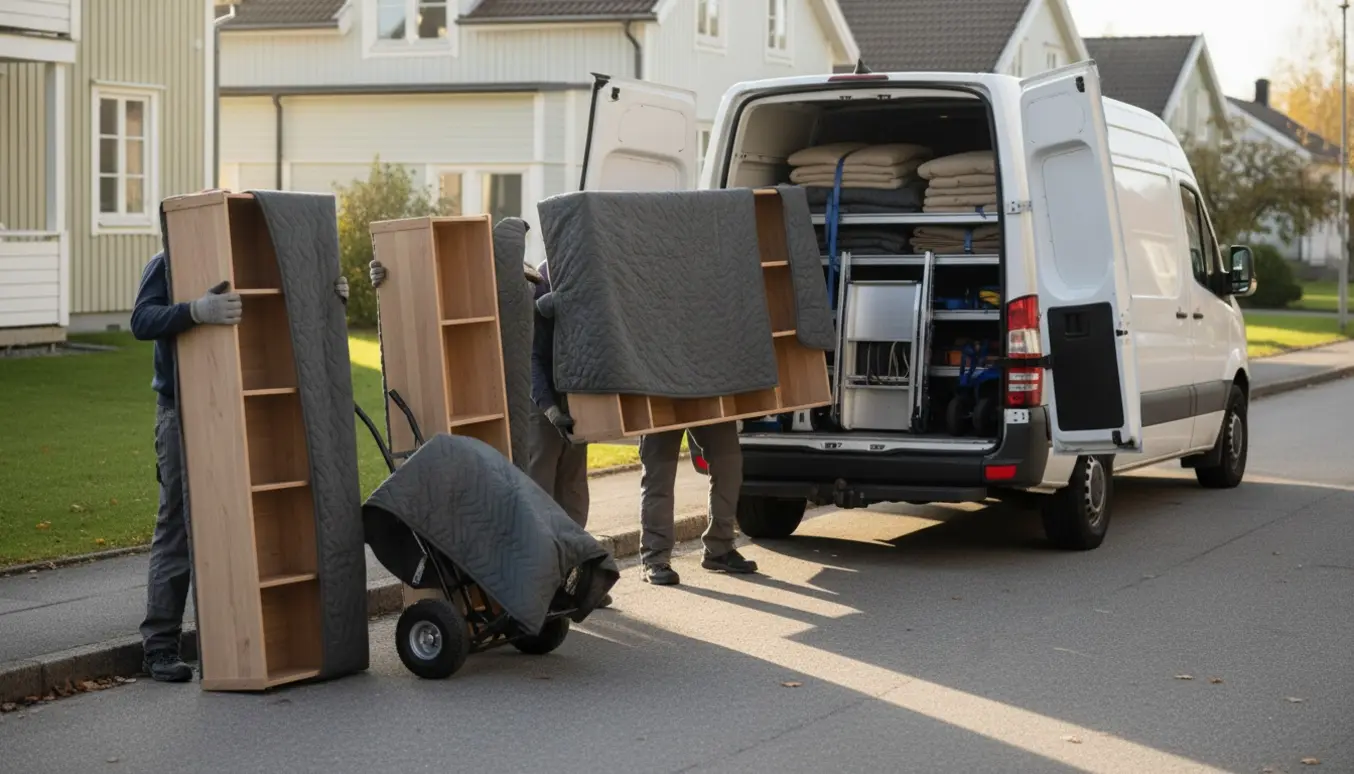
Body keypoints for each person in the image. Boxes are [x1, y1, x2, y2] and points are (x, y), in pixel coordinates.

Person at [132, 216, 348, 683]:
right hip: (181, 412)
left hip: (233, 410)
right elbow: (141, 321)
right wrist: (195, 311)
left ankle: (235, 640)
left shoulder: (250, 266)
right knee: (177, 525)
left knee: (236, 522)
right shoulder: (165, 265)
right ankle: (160, 648)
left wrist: (330, 296)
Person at [370, 256, 611, 608]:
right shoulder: (535, 286)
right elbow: (530, 358)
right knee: (540, 495)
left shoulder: (585, 288)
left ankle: (574, 578)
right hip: (539, 400)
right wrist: (549, 408)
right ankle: (544, 583)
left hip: (574, 398)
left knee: (573, 493)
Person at [638, 423, 758, 585]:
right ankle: (654, 558)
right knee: (659, 475)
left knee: (728, 463)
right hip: (659, 400)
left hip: (706, 398)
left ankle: (719, 548)